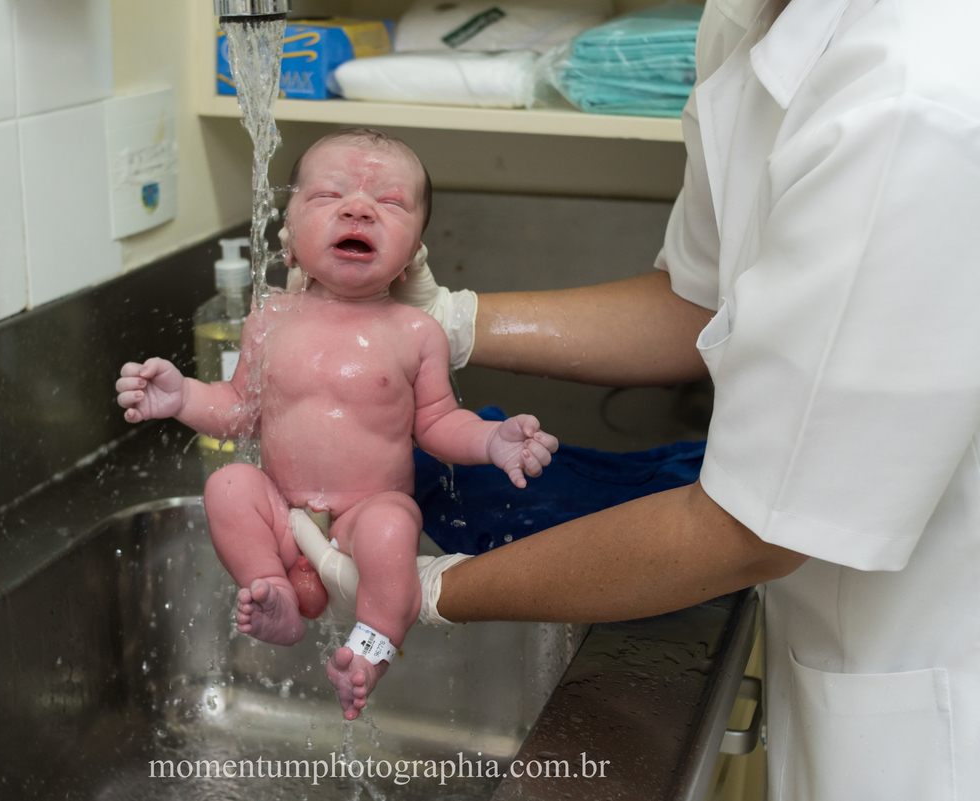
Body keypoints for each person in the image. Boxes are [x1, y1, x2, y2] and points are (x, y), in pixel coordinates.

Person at [304, 0, 980, 797]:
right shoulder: (742, 19)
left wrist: (429, 588)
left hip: (932, 680)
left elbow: (747, 529)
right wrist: (447, 320)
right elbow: (699, 300)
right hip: (832, 624)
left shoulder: (913, 98)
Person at [115, 129, 559, 721]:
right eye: (328, 196)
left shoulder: (416, 333)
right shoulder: (268, 319)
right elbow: (239, 410)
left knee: (389, 531)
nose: (357, 208)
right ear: (289, 239)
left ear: (414, 252)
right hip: (281, 508)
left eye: (391, 203)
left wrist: (490, 440)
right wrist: (183, 398)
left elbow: (437, 423)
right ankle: (273, 595)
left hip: (364, 509)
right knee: (228, 486)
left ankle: (370, 649)